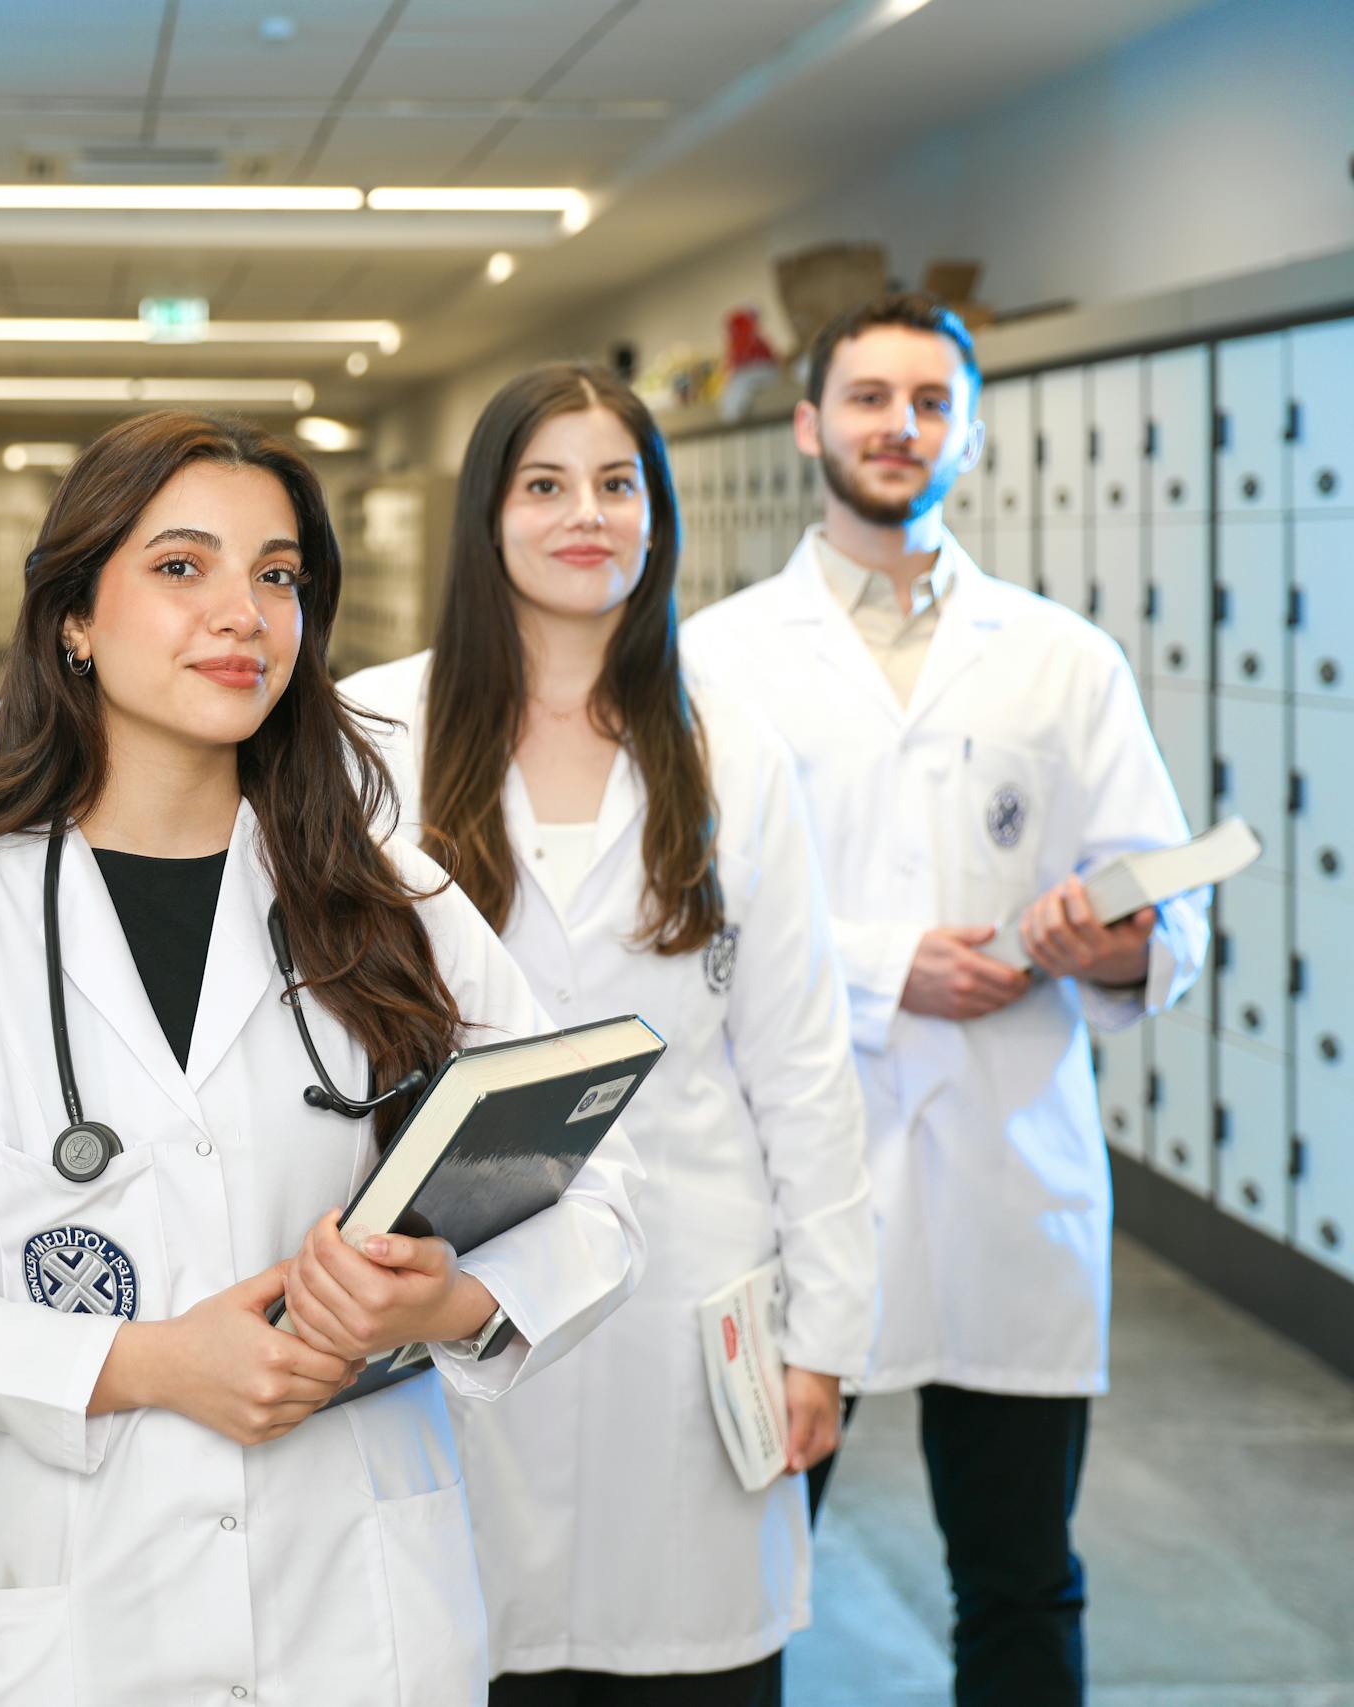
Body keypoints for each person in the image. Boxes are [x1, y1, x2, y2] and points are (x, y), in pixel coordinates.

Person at [0, 410, 648, 1707]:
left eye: (278, 574)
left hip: (357, 1615)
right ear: (74, 619)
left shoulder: (394, 903)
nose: (243, 613)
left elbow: (597, 1186)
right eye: (182, 567)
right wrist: (149, 1364)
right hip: (76, 1629)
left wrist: (448, 1304)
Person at [683, 293, 1207, 1707]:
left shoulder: (1062, 657)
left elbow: (1166, 908)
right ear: (810, 426)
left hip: (1004, 1168)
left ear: (969, 433)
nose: (899, 426)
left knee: (1021, 1580)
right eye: (870, 398)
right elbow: (681, 912)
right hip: (798, 1178)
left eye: (931, 403)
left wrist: (1107, 942)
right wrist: (883, 964)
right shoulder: (719, 657)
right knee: (737, 1578)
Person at [340, 364, 875, 1707]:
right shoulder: (377, 733)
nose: (586, 513)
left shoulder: (732, 745)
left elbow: (801, 1065)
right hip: (458, 1287)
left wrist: (826, 1335)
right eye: (546, 484)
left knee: (691, 1662)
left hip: (690, 1286)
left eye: (617, 483)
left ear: (657, 513)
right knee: (474, 1656)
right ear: (488, 514)